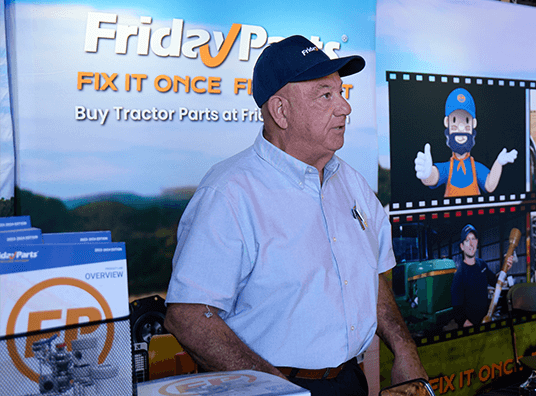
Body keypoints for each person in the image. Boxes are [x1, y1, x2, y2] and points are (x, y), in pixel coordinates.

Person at [164, 35, 426, 395]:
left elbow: (372, 278)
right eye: (325, 95)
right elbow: (189, 316)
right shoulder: (229, 193)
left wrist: (404, 349)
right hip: (270, 386)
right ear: (281, 111)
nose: (345, 107)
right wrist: (277, 389)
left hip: (350, 381)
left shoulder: (352, 183)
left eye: (342, 91)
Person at [414, 88, 517, 197]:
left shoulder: (475, 168)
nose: (461, 128)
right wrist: (426, 175)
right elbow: (434, 177)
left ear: (473, 124)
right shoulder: (448, 168)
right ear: (446, 122)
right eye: (455, 121)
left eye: (466, 121)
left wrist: (498, 163)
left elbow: (489, 186)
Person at [450, 224, 513, 327]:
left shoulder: (482, 265)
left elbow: (494, 281)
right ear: (462, 246)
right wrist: (467, 324)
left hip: (486, 319)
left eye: (473, 239)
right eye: (467, 240)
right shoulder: (459, 274)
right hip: (470, 326)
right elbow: (457, 308)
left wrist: (505, 269)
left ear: (477, 242)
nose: (471, 244)